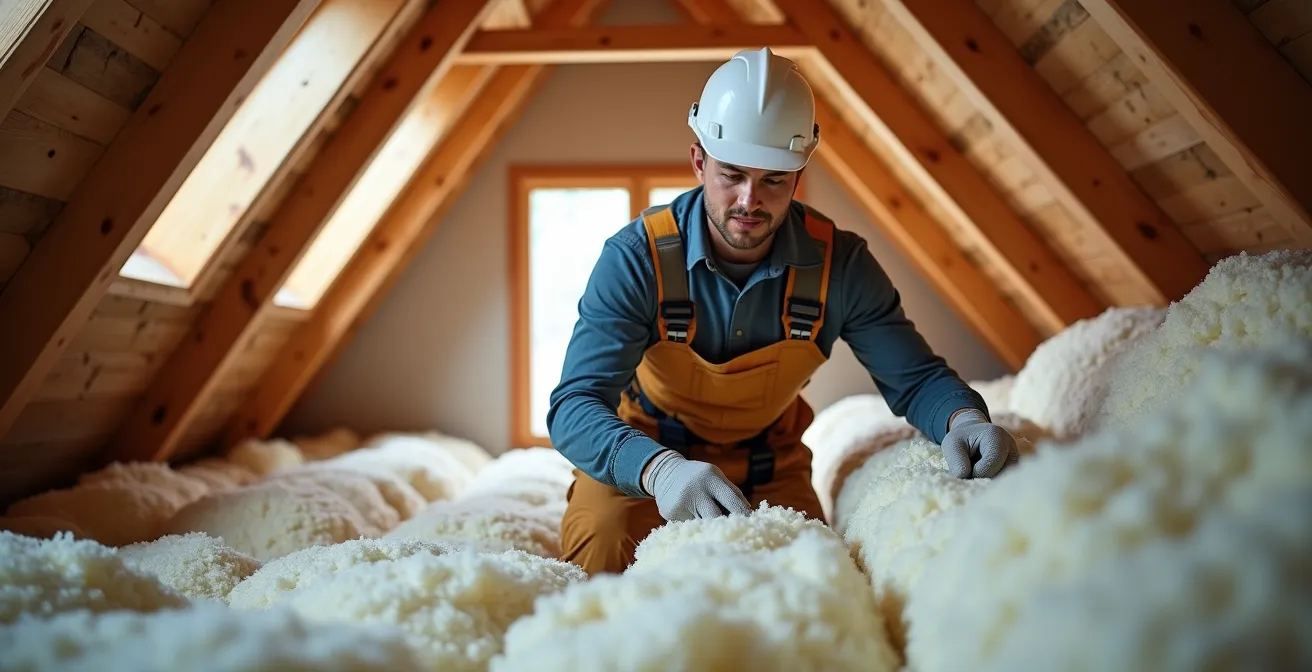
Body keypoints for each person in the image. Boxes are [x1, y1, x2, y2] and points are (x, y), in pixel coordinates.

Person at [546, 47, 1020, 575]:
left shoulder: (841, 266)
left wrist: (963, 418)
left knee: (817, 581)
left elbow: (916, 379)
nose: (750, 199)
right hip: (646, 459)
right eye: (732, 174)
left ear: (798, 175)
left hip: (770, 469)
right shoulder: (636, 259)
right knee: (599, 549)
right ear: (699, 161)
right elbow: (574, 405)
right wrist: (659, 471)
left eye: (773, 179)